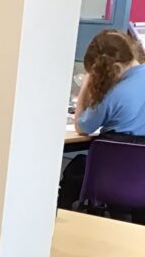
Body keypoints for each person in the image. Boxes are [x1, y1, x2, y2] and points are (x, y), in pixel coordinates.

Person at [58, 29, 145, 210]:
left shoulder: (113, 95)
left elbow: (82, 126)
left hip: (111, 179)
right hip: (140, 179)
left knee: (75, 169)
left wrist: (86, 86)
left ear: (115, 68)